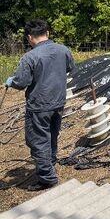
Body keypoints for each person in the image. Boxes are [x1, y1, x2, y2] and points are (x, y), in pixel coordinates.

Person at [4, 19, 75, 190]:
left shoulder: (30, 57)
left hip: (39, 105)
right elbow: (69, 68)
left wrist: (12, 81)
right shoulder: (63, 50)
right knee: (52, 135)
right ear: (47, 33)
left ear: (29, 37)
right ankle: (49, 164)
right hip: (58, 102)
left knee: (38, 141)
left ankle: (47, 178)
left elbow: (22, 82)